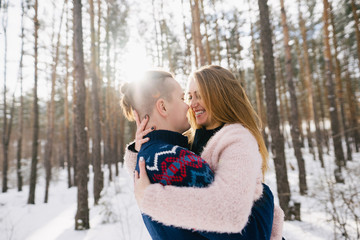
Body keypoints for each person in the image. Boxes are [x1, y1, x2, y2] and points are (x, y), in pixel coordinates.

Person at [124, 66, 284, 240]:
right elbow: (164, 170)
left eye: (199, 95)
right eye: (188, 96)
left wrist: (264, 195)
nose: (191, 104)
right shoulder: (189, 142)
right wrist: (142, 148)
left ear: (219, 96)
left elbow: (236, 221)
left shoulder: (237, 140)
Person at [121, 70, 222, 239]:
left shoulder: (146, 158)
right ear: (163, 107)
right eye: (182, 98)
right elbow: (242, 231)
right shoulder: (177, 160)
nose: (189, 105)